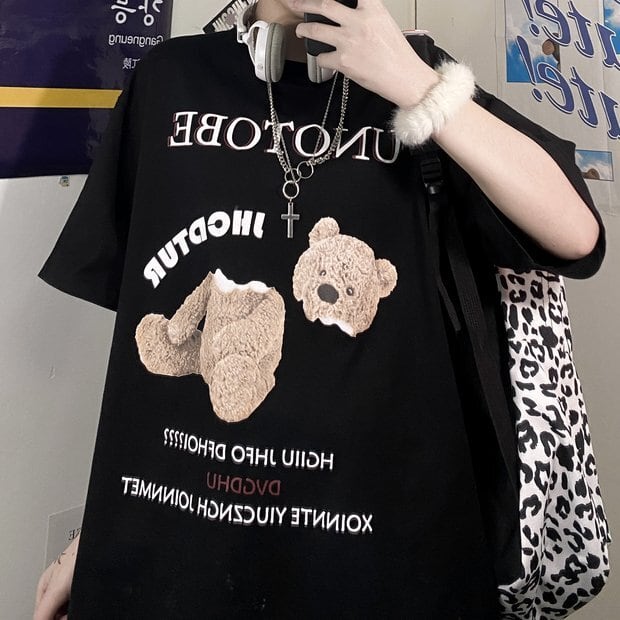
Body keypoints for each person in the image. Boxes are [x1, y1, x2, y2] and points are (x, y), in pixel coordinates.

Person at [33, 0, 604, 618]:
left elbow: (576, 235)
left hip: (383, 561)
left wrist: (416, 84)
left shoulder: (418, 79)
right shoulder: (169, 79)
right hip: (179, 555)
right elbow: (145, 357)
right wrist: (100, 531)